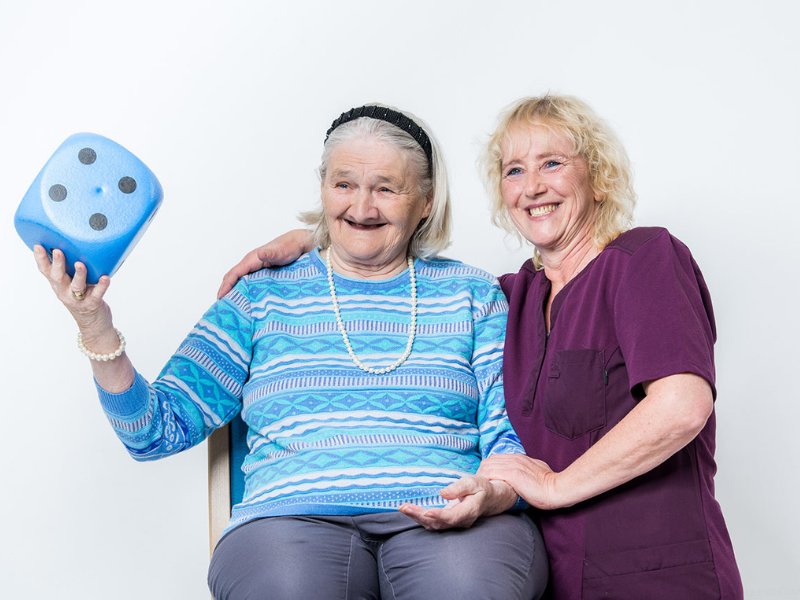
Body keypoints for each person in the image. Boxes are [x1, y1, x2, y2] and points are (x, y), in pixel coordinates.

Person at [220, 94, 743, 599]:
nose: (533, 186)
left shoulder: (644, 259)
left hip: (655, 570)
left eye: (553, 163)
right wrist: (318, 239)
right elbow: (385, 254)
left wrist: (557, 486)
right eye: (514, 170)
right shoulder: (511, 298)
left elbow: (681, 407)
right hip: (562, 575)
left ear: (598, 176)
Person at [34, 104, 548, 600]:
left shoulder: (473, 294)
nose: (361, 207)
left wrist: (495, 493)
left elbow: (510, 432)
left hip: (449, 513)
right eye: (343, 184)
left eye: (386, 188)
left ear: (427, 200)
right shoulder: (260, 295)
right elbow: (153, 432)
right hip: (290, 518)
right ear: (322, 186)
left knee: (468, 589)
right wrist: (96, 328)